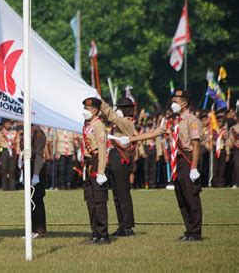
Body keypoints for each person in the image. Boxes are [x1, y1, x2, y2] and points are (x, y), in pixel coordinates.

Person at [122, 90, 203, 241]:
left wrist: (193, 168)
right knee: (181, 197)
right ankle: (189, 230)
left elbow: (196, 146)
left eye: (176, 102)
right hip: (176, 161)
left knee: (191, 197)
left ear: (184, 104)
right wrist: (133, 138)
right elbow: (155, 133)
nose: (173, 105)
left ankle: (196, 232)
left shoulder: (192, 121)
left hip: (187, 160)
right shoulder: (172, 121)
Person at [99, 97, 136, 237]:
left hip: (121, 157)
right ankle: (122, 225)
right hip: (114, 157)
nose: (119, 109)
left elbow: (111, 115)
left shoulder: (126, 122)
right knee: (116, 194)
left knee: (123, 194)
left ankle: (127, 226)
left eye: (121, 107)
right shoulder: (119, 123)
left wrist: (101, 102)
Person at [81, 97, 110, 244]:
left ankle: (103, 234)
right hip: (88, 163)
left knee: (99, 200)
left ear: (96, 110)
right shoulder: (87, 124)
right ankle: (95, 232)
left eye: (89, 108)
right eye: (85, 108)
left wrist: (101, 171)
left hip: (97, 161)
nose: (86, 110)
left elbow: (103, 148)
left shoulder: (98, 125)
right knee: (90, 200)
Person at [21, 125, 47, 238]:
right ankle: (33, 229)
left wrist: (36, 174)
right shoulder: (28, 130)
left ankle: (40, 230)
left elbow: (39, 155)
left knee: (36, 199)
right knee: (30, 200)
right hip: (28, 167)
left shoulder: (38, 133)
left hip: (36, 169)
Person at [0, 119, 18, 190]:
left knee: (12, 170)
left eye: (10, 124)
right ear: (4, 124)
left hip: (12, 151)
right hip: (4, 151)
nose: (8, 125)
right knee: (3, 169)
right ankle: (4, 187)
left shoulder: (14, 133)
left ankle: (12, 186)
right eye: (7, 124)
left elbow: (16, 142)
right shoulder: (0, 133)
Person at [229, 111, 239, 188]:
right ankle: (235, 182)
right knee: (236, 165)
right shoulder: (233, 128)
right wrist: (236, 144)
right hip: (236, 149)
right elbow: (231, 138)